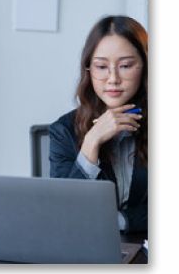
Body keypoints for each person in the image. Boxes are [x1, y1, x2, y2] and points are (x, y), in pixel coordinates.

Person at [49, 15, 148, 233]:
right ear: (89, 70)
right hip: (85, 251)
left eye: (125, 65)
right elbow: (64, 211)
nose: (113, 78)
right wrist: (91, 142)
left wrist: (116, 221)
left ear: (145, 67)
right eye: (101, 66)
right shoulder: (62, 131)